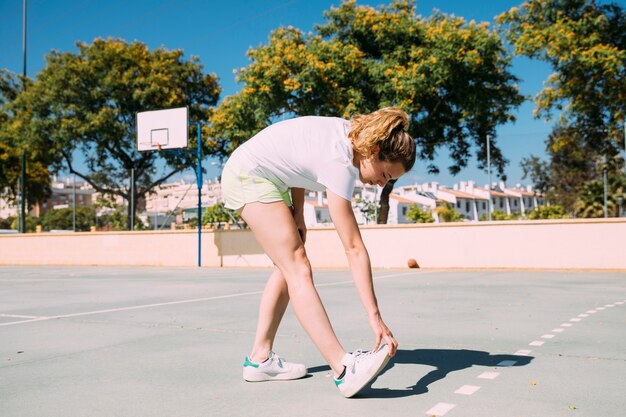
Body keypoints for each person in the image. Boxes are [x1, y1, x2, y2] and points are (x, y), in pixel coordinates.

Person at [221, 107, 416, 398]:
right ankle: (342, 369)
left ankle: (259, 358)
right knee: (297, 266)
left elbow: (297, 163)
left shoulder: (350, 137)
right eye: (385, 174)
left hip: (270, 177)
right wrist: (374, 317)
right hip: (249, 174)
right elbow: (353, 248)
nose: (381, 184)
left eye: (390, 181)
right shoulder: (340, 161)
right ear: (374, 150)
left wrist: (299, 213)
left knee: (287, 267)